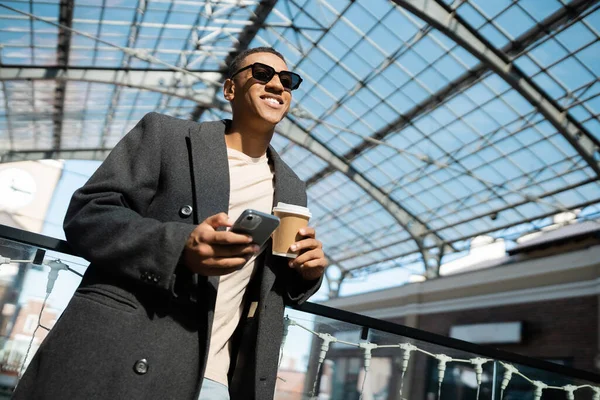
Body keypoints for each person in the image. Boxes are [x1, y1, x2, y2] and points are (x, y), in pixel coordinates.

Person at [14, 47, 327, 400]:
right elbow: (89, 213)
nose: (277, 86)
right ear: (229, 90)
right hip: (127, 350)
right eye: (261, 74)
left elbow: (267, 285)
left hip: (219, 378)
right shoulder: (167, 137)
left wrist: (307, 275)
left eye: (288, 81)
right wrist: (179, 248)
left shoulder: (291, 186)